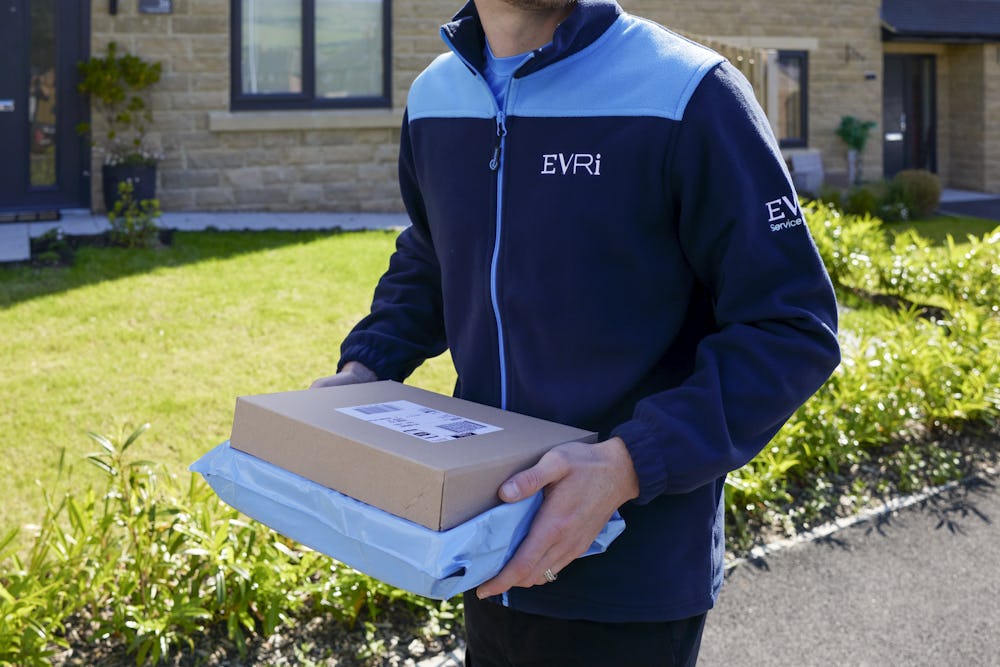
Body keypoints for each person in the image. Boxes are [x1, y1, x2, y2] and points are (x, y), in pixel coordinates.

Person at [313, 0, 841, 664]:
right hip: (482, 549)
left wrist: (626, 464)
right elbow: (434, 254)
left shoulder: (688, 93)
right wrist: (366, 365)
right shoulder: (435, 97)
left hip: (629, 577)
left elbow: (791, 326)